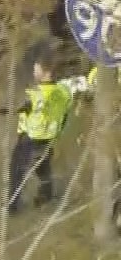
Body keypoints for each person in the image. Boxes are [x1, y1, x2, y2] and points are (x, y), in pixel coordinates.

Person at [7, 59, 90, 214]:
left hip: (30, 138)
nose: (34, 73)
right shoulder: (63, 91)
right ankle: (46, 196)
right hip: (50, 137)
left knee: (16, 171)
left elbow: (19, 107)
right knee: (43, 167)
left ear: (47, 73)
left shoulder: (36, 94)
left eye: (37, 70)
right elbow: (77, 86)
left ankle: (13, 207)